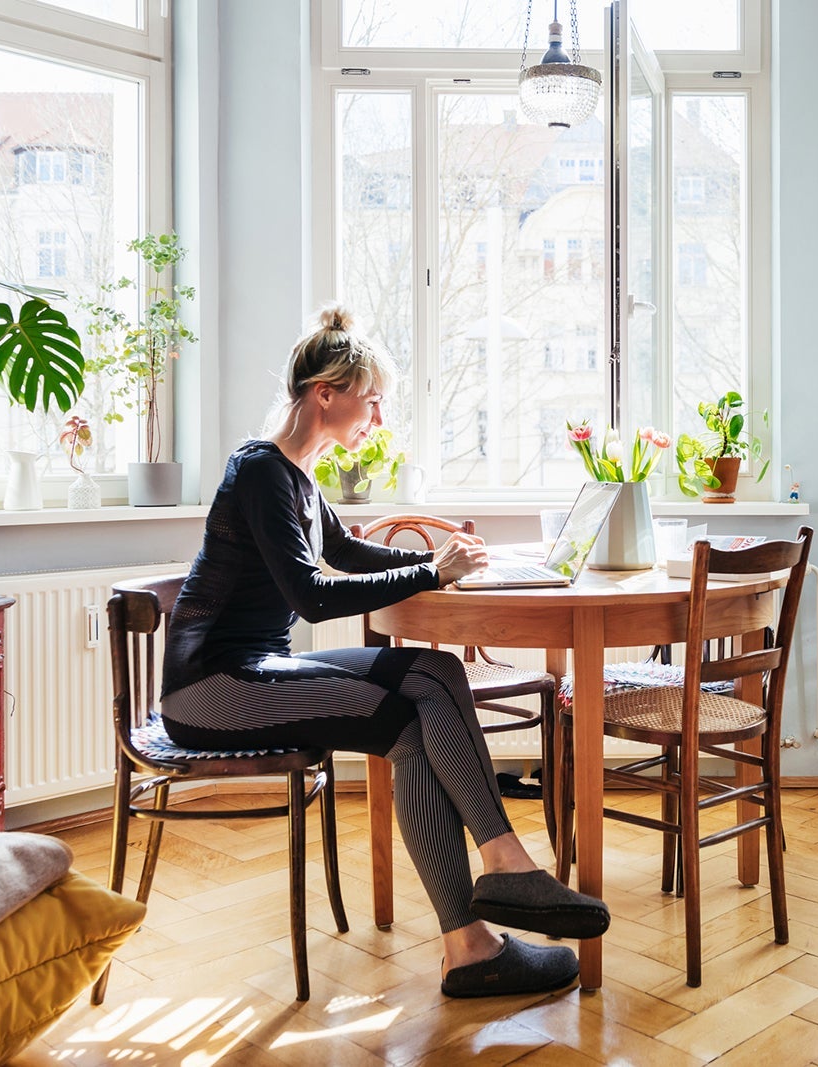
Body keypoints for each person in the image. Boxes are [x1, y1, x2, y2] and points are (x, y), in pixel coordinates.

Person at [161, 305, 609, 998]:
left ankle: (477, 931)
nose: (377, 417)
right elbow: (313, 595)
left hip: (255, 671)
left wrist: (451, 563)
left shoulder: (295, 474)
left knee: (430, 684)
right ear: (325, 394)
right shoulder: (259, 471)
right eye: (371, 401)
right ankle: (498, 884)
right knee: (423, 695)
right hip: (211, 690)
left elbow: (345, 551)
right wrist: (432, 572)